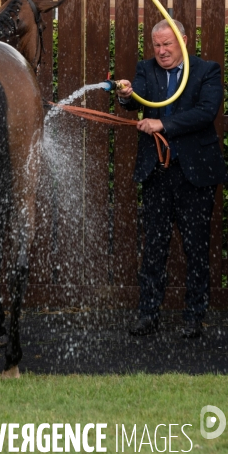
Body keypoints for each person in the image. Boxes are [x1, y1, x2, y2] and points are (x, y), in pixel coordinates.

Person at [116, 19, 227, 338]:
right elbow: (134, 103)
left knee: (196, 248)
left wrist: (163, 125)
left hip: (196, 174)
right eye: (157, 45)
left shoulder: (207, 70)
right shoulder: (145, 69)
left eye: (168, 44)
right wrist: (126, 96)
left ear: (184, 41)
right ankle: (148, 315)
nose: (162, 51)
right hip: (157, 173)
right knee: (154, 248)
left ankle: (194, 317)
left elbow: (207, 112)